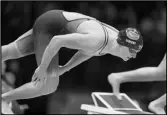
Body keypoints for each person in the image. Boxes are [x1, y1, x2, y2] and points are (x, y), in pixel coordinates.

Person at [2, 10, 143, 108]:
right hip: (50, 28)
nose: (134, 56)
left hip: (53, 21)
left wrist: (65, 68)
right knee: (48, 85)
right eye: (132, 51)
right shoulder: (97, 39)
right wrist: (43, 68)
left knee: (10, 51)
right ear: (122, 45)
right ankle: (3, 99)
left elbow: (87, 52)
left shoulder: (113, 41)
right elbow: (57, 40)